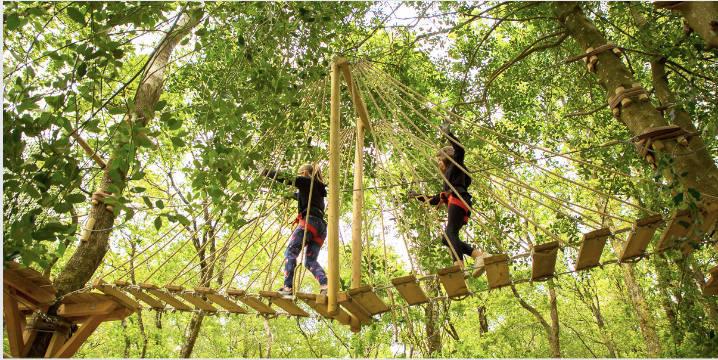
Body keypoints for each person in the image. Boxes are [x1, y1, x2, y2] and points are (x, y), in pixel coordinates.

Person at [409, 122, 492, 278]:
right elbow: (436, 199)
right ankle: (479, 256)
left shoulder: (455, 166)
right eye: (438, 160)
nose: (439, 162)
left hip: (459, 199)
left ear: (448, 157)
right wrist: (417, 196)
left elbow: (460, 150)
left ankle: (459, 265)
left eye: (441, 159)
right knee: (446, 239)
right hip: (458, 202)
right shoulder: (448, 177)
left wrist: (448, 135)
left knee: (450, 232)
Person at [261, 164, 329, 295]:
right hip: (320, 227)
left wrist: (266, 172)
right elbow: (301, 196)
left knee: (290, 252)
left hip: (310, 222)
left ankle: (287, 288)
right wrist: (288, 195)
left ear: (303, 174)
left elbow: (287, 178)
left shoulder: (307, 181)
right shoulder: (317, 188)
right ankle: (325, 286)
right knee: (310, 261)